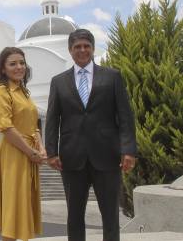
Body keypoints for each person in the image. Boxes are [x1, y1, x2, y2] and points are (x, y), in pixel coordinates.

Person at [45, 29, 137, 241]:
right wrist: (51, 152)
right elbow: (52, 119)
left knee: (111, 216)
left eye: (86, 45)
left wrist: (128, 150)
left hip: (107, 156)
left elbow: (125, 116)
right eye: (77, 46)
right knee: (74, 216)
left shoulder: (113, 76)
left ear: (93, 48)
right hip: (72, 158)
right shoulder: (58, 82)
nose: (82, 50)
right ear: (70, 50)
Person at [0, 47, 46, 241]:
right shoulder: (0, 92)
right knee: (13, 208)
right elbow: (6, 128)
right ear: (3, 69)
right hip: (14, 154)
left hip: (29, 153)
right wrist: (30, 152)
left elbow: (33, 126)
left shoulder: (24, 92)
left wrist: (41, 148)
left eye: (22, 63)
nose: (19, 67)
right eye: (13, 64)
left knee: (23, 206)